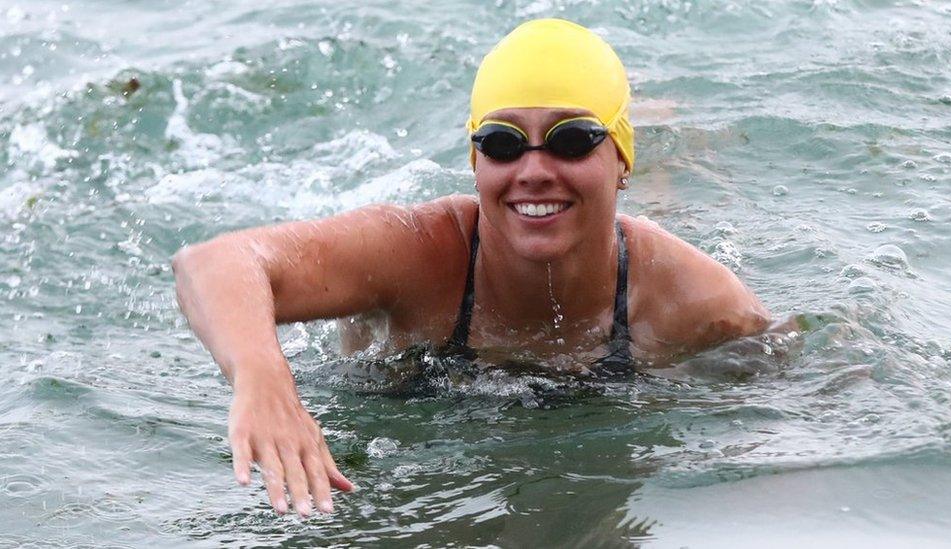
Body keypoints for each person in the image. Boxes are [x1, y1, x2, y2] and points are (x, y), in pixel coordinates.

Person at [172, 18, 769, 517]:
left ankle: (673, 145)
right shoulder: (419, 256)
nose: (533, 167)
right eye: (503, 143)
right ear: (476, 161)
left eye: (572, 139)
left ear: (619, 155)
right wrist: (262, 378)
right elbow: (211, 263)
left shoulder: (694, 301)